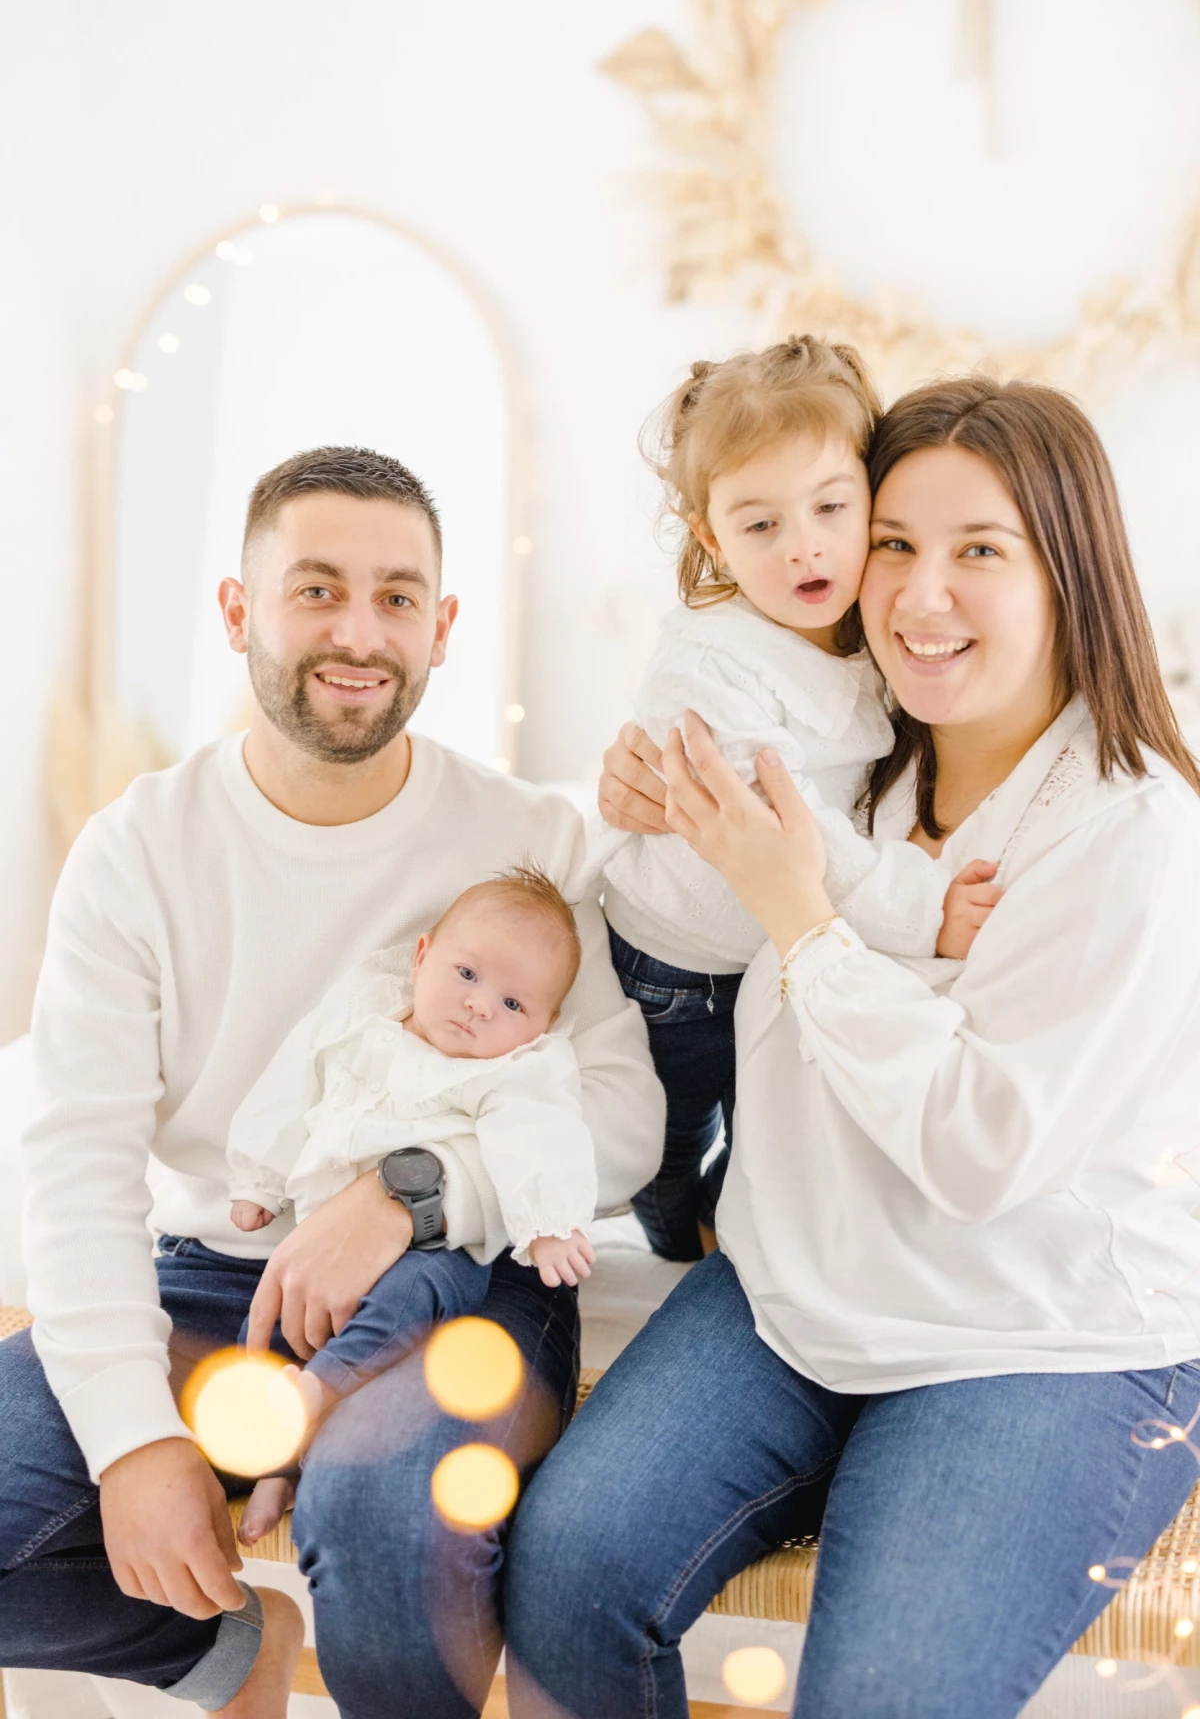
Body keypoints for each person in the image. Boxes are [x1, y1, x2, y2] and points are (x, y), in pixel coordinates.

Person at [504, 377, 1200, 1719]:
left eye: (979, 552)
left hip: (1039, 1335)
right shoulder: (843, 761)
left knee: (880, 1700)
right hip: (797, 1293)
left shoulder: (1136, 833)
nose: (920, 594)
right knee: (565, 1572)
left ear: (1071, 573)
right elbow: (672, 937)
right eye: (894, 544)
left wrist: (801, 916)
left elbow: (982, 1147)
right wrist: (650, 812)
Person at [0, 445, 663, 1719]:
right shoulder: (137, 852)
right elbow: (76, 1172)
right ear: (238, 611)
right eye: (316, 590)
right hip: (212, 1276)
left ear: (444, 627)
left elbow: (623, 1126)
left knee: (378, 1498)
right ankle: (227, 1656)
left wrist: (408, 1192)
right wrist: (136, 1443)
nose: (360, 633)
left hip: (466, 1290)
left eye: (399, 597)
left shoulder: (530, 843)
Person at [599, 336, 999, 1260]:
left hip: (778, 948)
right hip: (678, 965)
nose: (804, 546)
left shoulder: (876, 627)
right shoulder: (711, 660)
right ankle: (670, 1222)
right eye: (760, 525)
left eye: (829, 506)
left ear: (871, 496)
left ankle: (746, 1237)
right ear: (712, 539)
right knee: (665, 1134)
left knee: (771, 1131)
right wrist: (924, 904)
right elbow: (789, 832)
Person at [227, 866, 597, 1544]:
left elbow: (541, 1135)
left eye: (515, 1005)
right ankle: (276, 1464)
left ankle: (319, 1391)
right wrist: (260, 1175)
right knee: (278, 1311)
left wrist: (546, 1224)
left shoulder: (514, 1071)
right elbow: (294, 1080)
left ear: (544, 1025)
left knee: (417, 1291)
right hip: (320, 1235)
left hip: (432, 1248)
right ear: (422, 956)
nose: (482, 1005)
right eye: (467, 974)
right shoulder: (364, 1015)